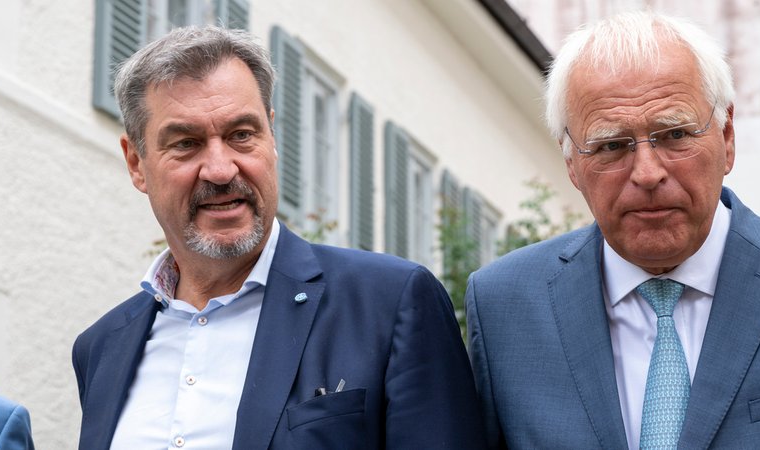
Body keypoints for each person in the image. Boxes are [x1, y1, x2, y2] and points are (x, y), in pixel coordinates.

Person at [72, 26, 485, 450]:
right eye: (187, 143)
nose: (220, 170)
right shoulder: (101, 348)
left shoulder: (390, 302)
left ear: (272, 137)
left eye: (241, 135)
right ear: (137, 162)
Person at [466, 10, 760, 449]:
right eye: (611, 145)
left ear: (727, 137)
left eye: (674, 134)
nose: (648, 173)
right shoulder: (505, 306)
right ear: (572, 165)